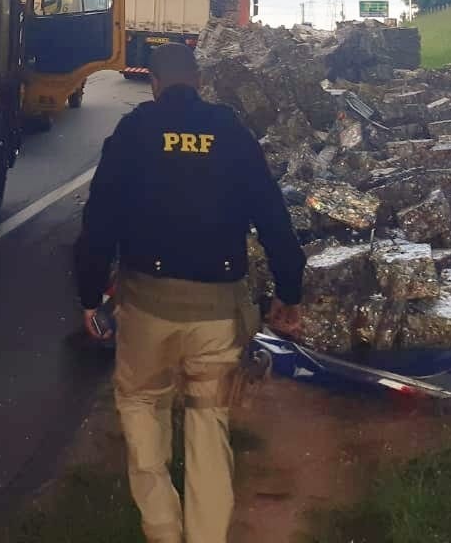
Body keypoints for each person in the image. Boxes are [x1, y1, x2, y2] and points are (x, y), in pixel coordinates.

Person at [75, 43, 306, 543]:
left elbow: (98, 225)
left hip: (146, 310)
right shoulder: (232, 134)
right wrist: (290, 289)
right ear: (198, 80)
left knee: (141, 409)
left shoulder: (133, 132)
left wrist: (91, 297)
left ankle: (162, 530)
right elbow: (273, 218)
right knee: (208, 425)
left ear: (155, 83)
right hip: (218, 313)